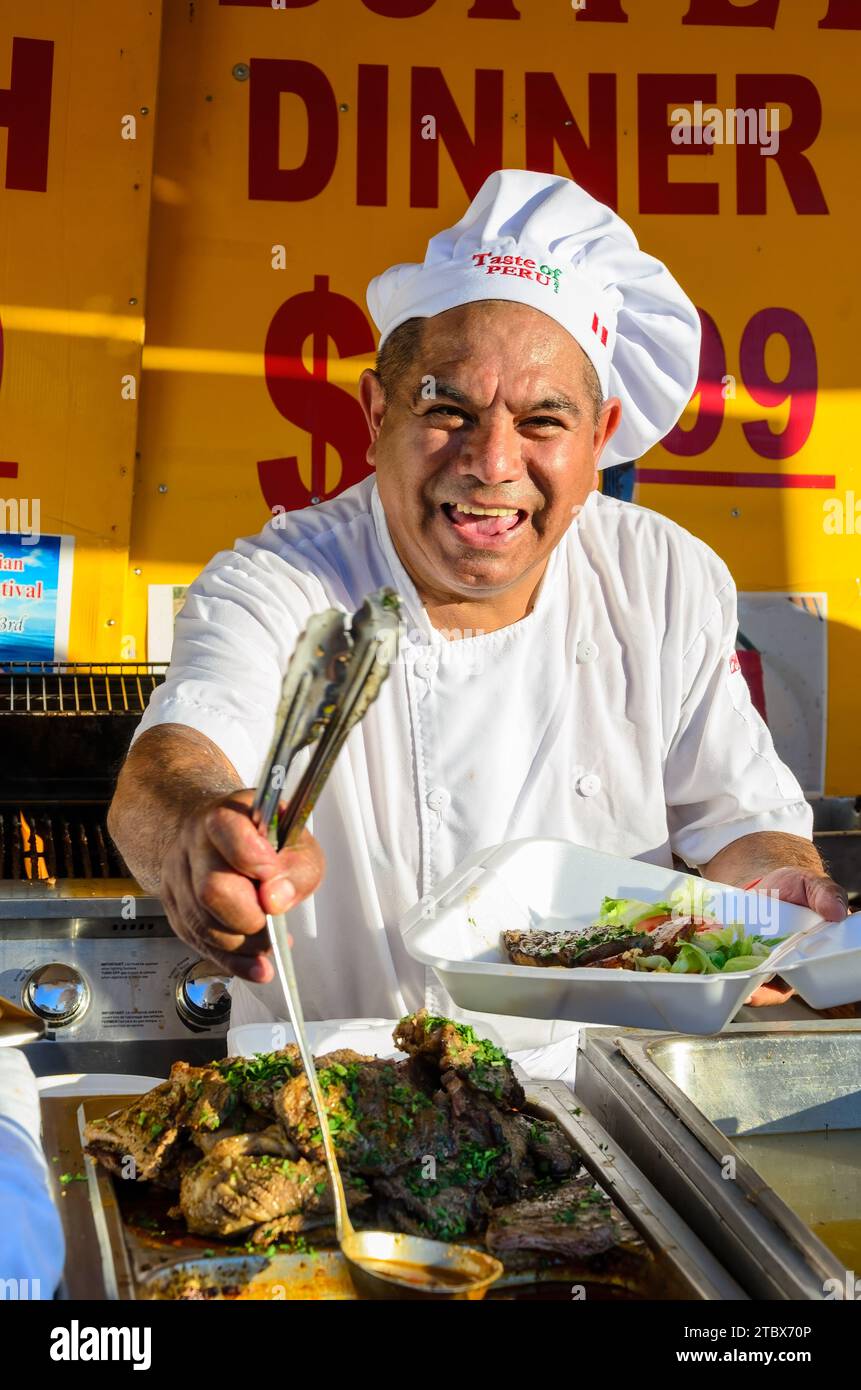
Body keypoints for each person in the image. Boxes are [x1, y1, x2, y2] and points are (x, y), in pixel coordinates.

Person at [108, 169, 848, 1030]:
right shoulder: (281, 582)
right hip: (331, 1106)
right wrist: (202, 829)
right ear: (375, 410)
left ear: (599, 439)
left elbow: (738, 829)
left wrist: (780, 894)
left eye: (542, 421)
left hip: (597, 1104)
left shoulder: (663, 579)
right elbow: (168, 769)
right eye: (448, 407)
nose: (492, 462)